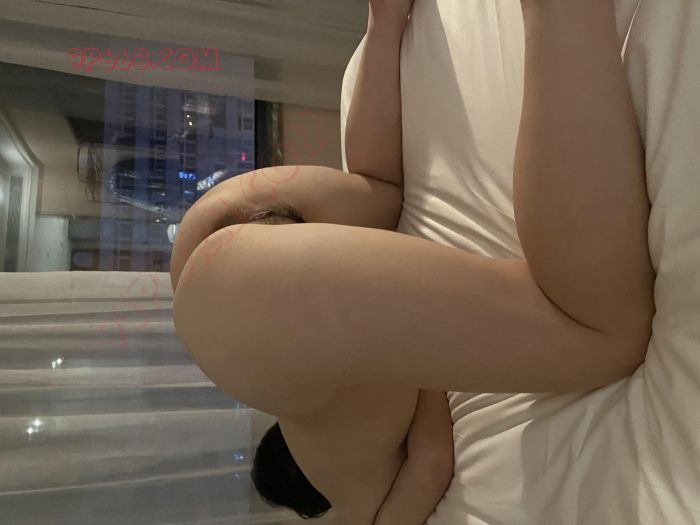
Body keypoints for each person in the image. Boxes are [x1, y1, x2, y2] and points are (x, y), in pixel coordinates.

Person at [169, 0, 655, 523]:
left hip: (244, 302)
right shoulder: (313, 420)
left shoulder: (354, 504)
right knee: (382, 192)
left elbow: (432, 459)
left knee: (601, 334)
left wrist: (421, 356)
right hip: (206, 236)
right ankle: (384, 23)